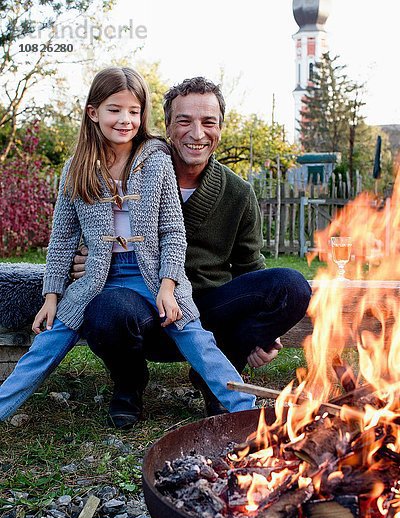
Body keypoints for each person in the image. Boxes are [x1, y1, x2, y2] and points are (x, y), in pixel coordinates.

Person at [0, 67, 257, 429]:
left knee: (200, 344)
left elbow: (172, 231)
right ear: (93, 112)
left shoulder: (156, 160)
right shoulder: (77, 169)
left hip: (152, 275)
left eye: (134, 112)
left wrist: (168, 286)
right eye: (115, 110)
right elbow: (61, 239)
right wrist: (52, 294)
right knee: (42, 350)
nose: (125, 120)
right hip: (98, 280)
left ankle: (247, 413)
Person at [73, 76, 312, 421]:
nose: (197, 133)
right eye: (184, 121)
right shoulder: (132, 173)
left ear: (220, 128)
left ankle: (215, 375)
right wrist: (85, 259)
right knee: (106, 311)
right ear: (167, 126)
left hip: (210, 317)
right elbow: (86, 232)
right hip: (144, 311)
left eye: (208, 122)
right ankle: (129, 382)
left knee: (290, 286)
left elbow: (250, 270)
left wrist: (263, 331)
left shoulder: (238, 193)